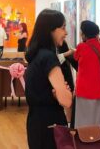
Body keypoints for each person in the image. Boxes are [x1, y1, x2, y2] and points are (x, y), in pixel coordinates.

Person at [24, 9, 73, 149]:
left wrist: (59, 92)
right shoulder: (49, 57)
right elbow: (67, 100)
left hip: (35, 122)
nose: (66, 33)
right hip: (50, 123)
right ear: (50, 30)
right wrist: (64, 92)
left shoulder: (37, 55)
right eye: (63, 27)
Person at [72, 20, 100, 128]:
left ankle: (83, 143)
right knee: (98, 120)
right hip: (98, 88)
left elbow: (75, 57)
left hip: (84, 89)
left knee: (83, 121)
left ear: (84, 34)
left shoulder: (81, 46)